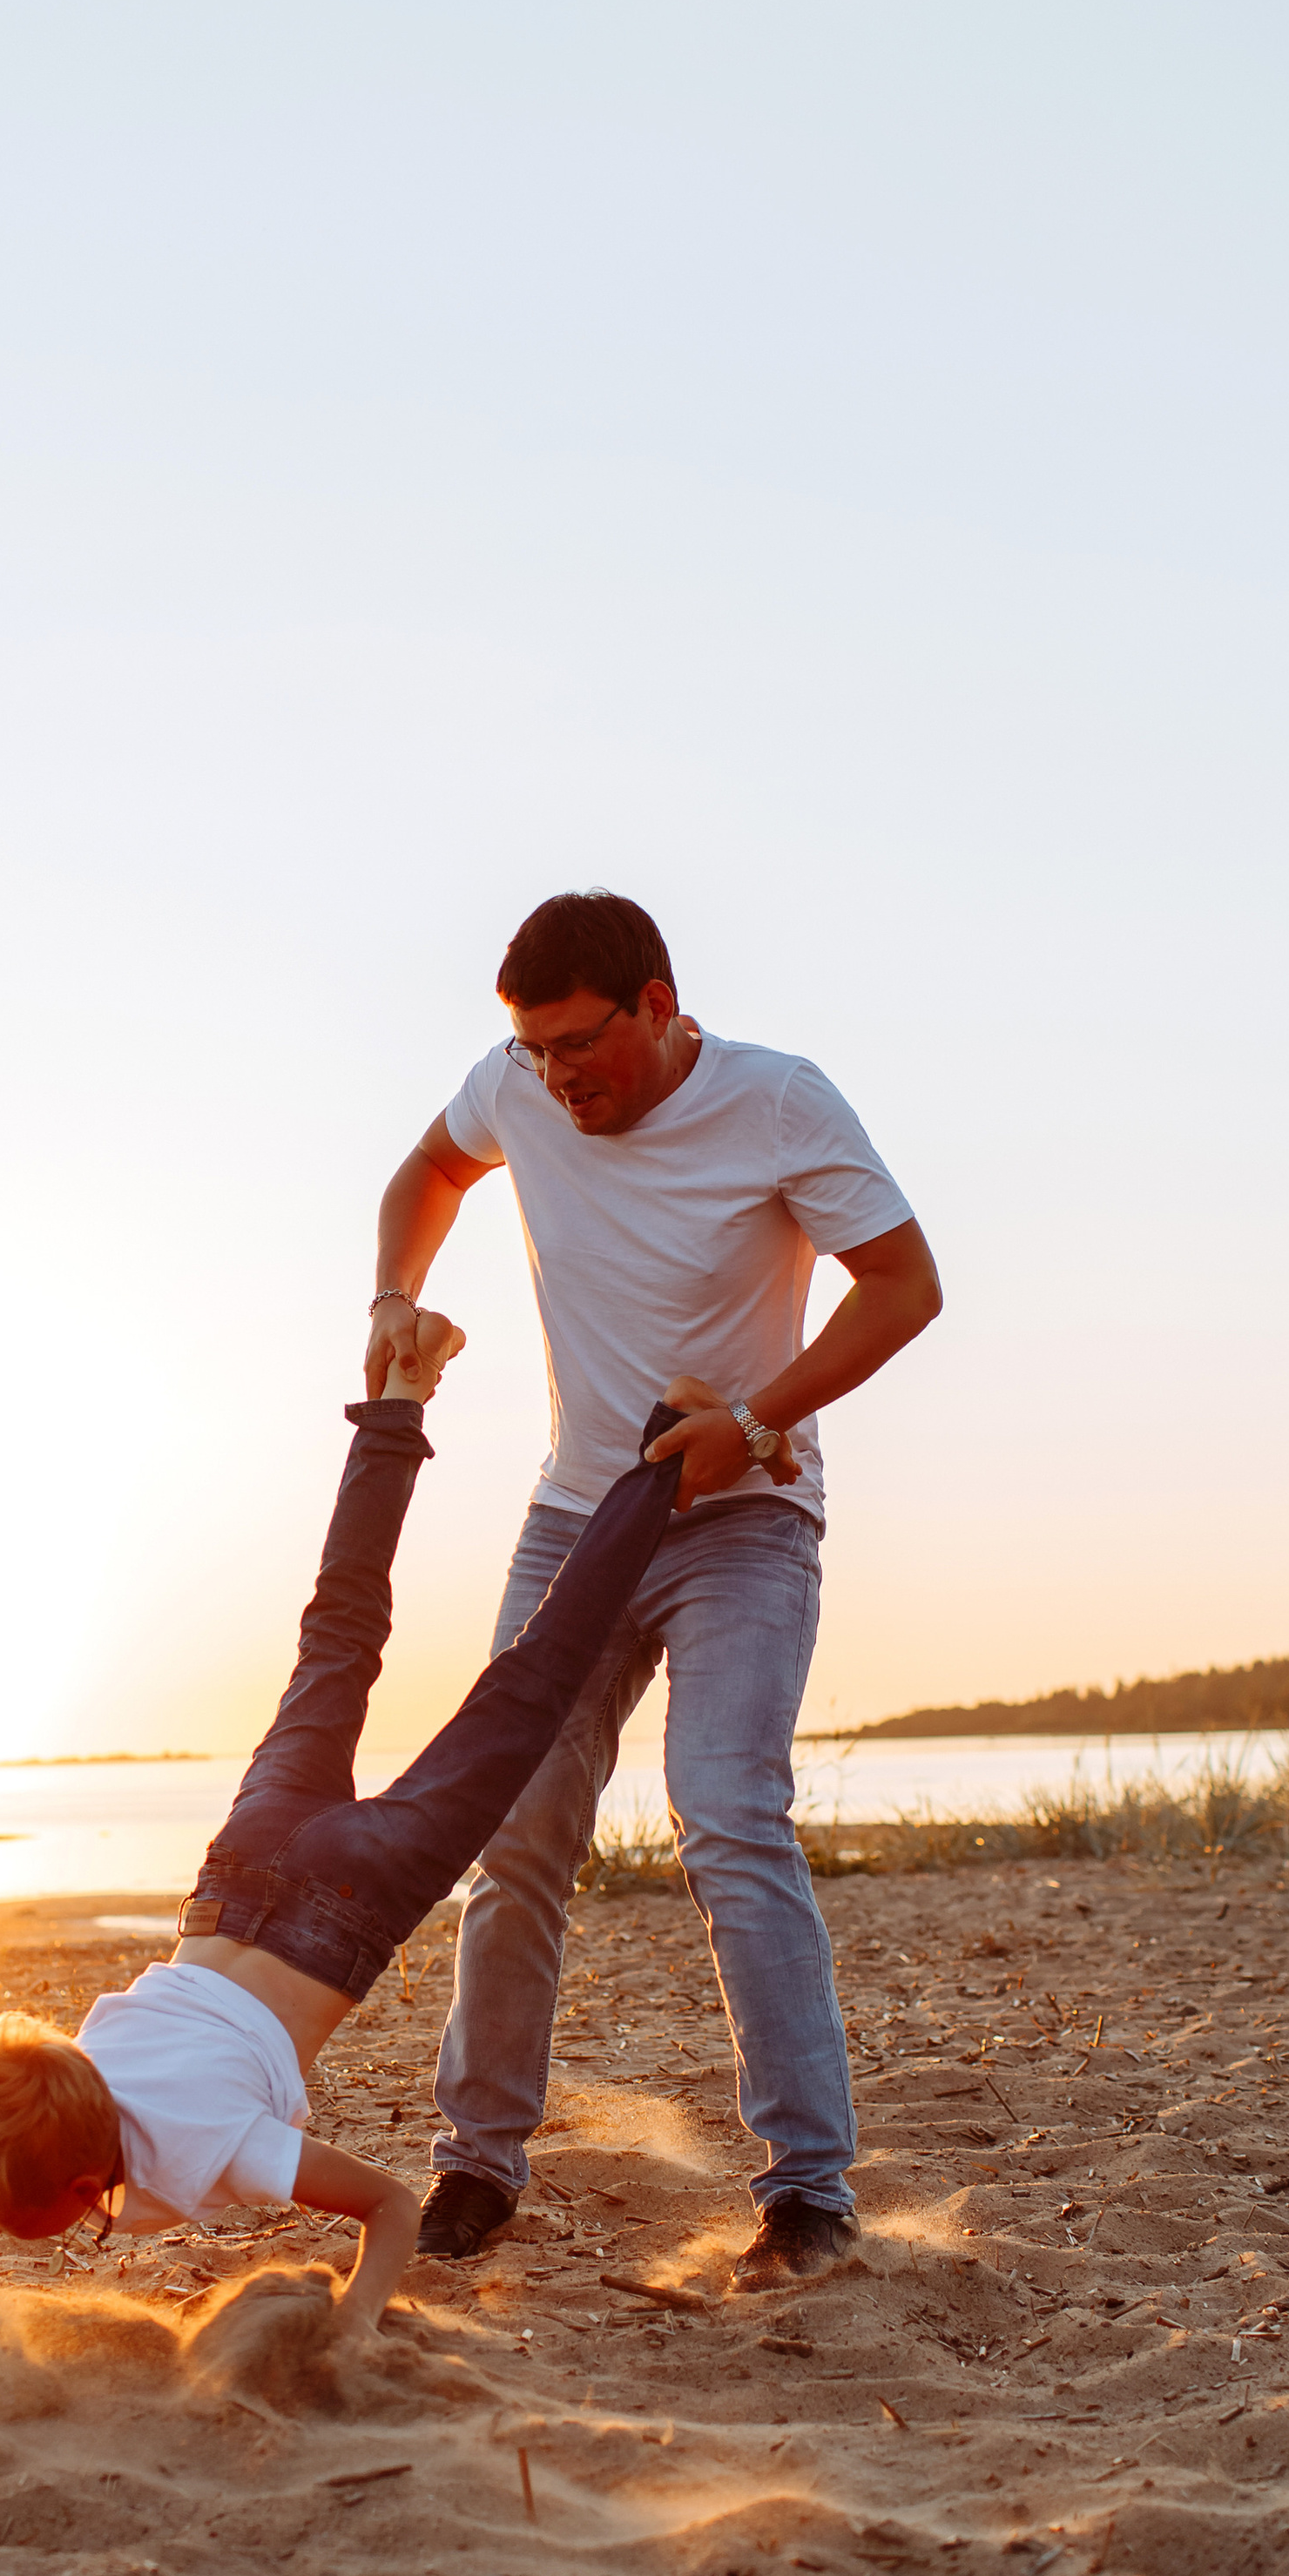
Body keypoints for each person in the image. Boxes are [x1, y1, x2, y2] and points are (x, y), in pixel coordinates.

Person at [0, 1315, 709, 2330]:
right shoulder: (65, 2075)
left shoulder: (205, 2146)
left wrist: (349, 2333)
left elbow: (392, 2208)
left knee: (534, 1683)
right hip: (239, 1871)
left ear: (70, 2179)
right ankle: (396, 1397)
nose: (2, 2234)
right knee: (338, 1631)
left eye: (11, 2220)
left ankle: (672, 1441)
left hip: (348, 1903)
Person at [368, 890, 941, 2295]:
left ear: (659, 1002)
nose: (562, 1079)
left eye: (583, 1045)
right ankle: (480, 2160)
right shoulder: (516, 1087)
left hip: (742, 1518)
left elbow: (905, 1285)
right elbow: (426, 1177)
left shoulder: (780, 1104)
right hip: (577, 1521)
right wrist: (395, 1293)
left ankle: (808, 2187)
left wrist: (751, 1421)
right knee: (514, 1829)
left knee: (728, 1814)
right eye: (539, 1053)